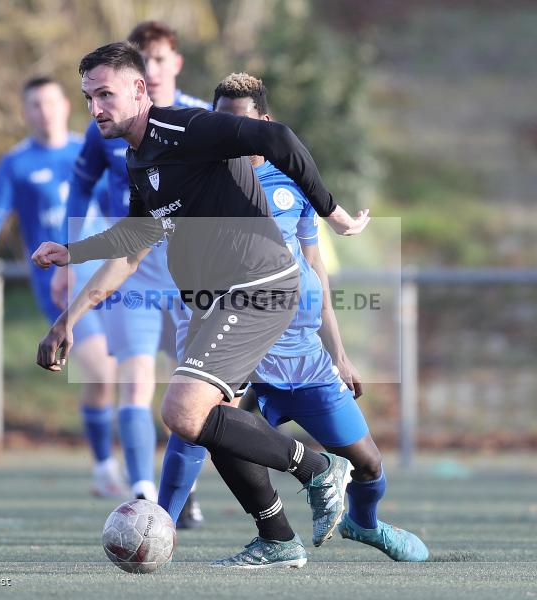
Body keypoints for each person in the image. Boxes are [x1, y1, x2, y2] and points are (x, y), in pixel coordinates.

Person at [31, 42, 370, 566]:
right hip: (218, 300)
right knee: (214, 420)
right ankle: (277, 538)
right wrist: (68, 312)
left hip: (258, 286)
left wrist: (334, 215)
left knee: (181, 411)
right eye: (88, 97)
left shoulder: (185, 129)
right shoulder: (139, 158)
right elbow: (134, 241)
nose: (95, 108)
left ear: (139, 90)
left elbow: (276, 136)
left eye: (105, 95)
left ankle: (318, 470)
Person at [157, 73, 429, 567]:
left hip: (304, 349)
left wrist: (339, 353)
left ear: (264, 123)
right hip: (246, 339)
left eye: (239, 122)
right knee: (205, 425)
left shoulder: (293, 180)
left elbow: (315, 265)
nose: (229, 132)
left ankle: (363, 524)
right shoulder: (207, 180)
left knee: (368, 464)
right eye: (220, 121)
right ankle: (205, 526)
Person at [0, 77, 123, 497]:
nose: (44, 111)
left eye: (50, 102)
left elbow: (119, 208)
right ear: (24, 112)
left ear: (66, 106)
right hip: (59, 285)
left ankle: (129, 466)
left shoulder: (90, 149)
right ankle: (106, 468)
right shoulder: (16, 163)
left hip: (107, 276)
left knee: (119, 375)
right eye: (34, 105)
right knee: (100, 371)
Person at [53, 22, 210, 517]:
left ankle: (181, 492)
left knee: (197, 397)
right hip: (133, 269)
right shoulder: (104, 123)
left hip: (193, 273)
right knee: (136, 379)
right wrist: (72, 250)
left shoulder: (199, 119)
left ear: (173, 64)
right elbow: (81, 188)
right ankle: (145, 492)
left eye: (160, 59)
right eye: (144, 60)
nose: (153, 68)